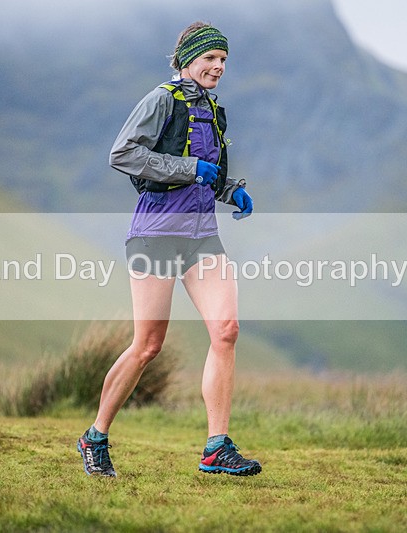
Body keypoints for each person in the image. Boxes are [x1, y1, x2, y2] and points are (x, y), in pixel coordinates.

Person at [77, 21, 259, 477]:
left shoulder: (216, 111)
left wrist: (229, 189)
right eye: (210, 59)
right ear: (187, 60)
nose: (218, 67)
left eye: (223, 61)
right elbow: (123, 153)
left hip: (201, 235)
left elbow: (207, 174)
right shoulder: (162, 98)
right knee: (148, 345)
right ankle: (95, 436)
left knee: (227, 330)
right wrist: (187, 166)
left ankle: (216, 447)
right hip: (156, 232)